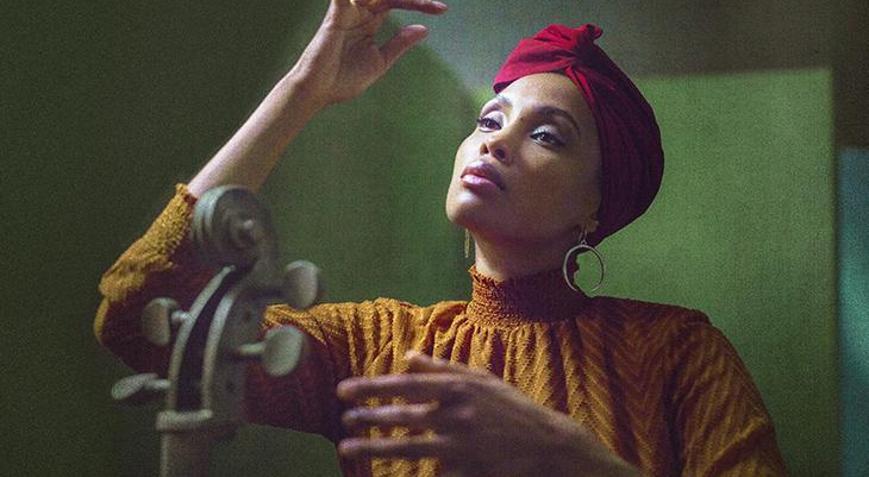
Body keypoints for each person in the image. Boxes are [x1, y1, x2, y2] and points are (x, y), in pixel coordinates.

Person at [94, 0, 788, 475]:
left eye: (547, 136)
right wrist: (303, 89)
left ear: (594, 207)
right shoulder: (377, 349)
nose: (495, 143)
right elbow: (137, 313)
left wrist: (569, 461)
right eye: (489, 120)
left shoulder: (679, 352)